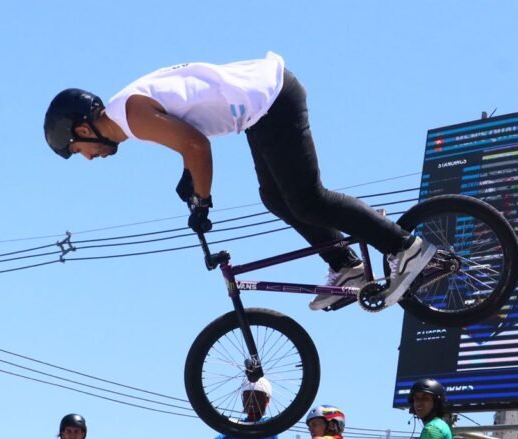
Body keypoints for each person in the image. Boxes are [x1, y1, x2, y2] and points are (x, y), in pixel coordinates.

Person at [44, 52, 436, 311]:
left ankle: (404, 246)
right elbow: (189, 141)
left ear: (82, 128)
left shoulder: (128, 113)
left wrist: (202, 200)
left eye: (78, 150)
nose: (88, 159)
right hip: (261, 109)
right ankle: (344, 264)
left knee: (307, 198)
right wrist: (189, 178)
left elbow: (197, 146)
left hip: (271, 98)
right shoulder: (128, 109)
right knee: (276, 198)